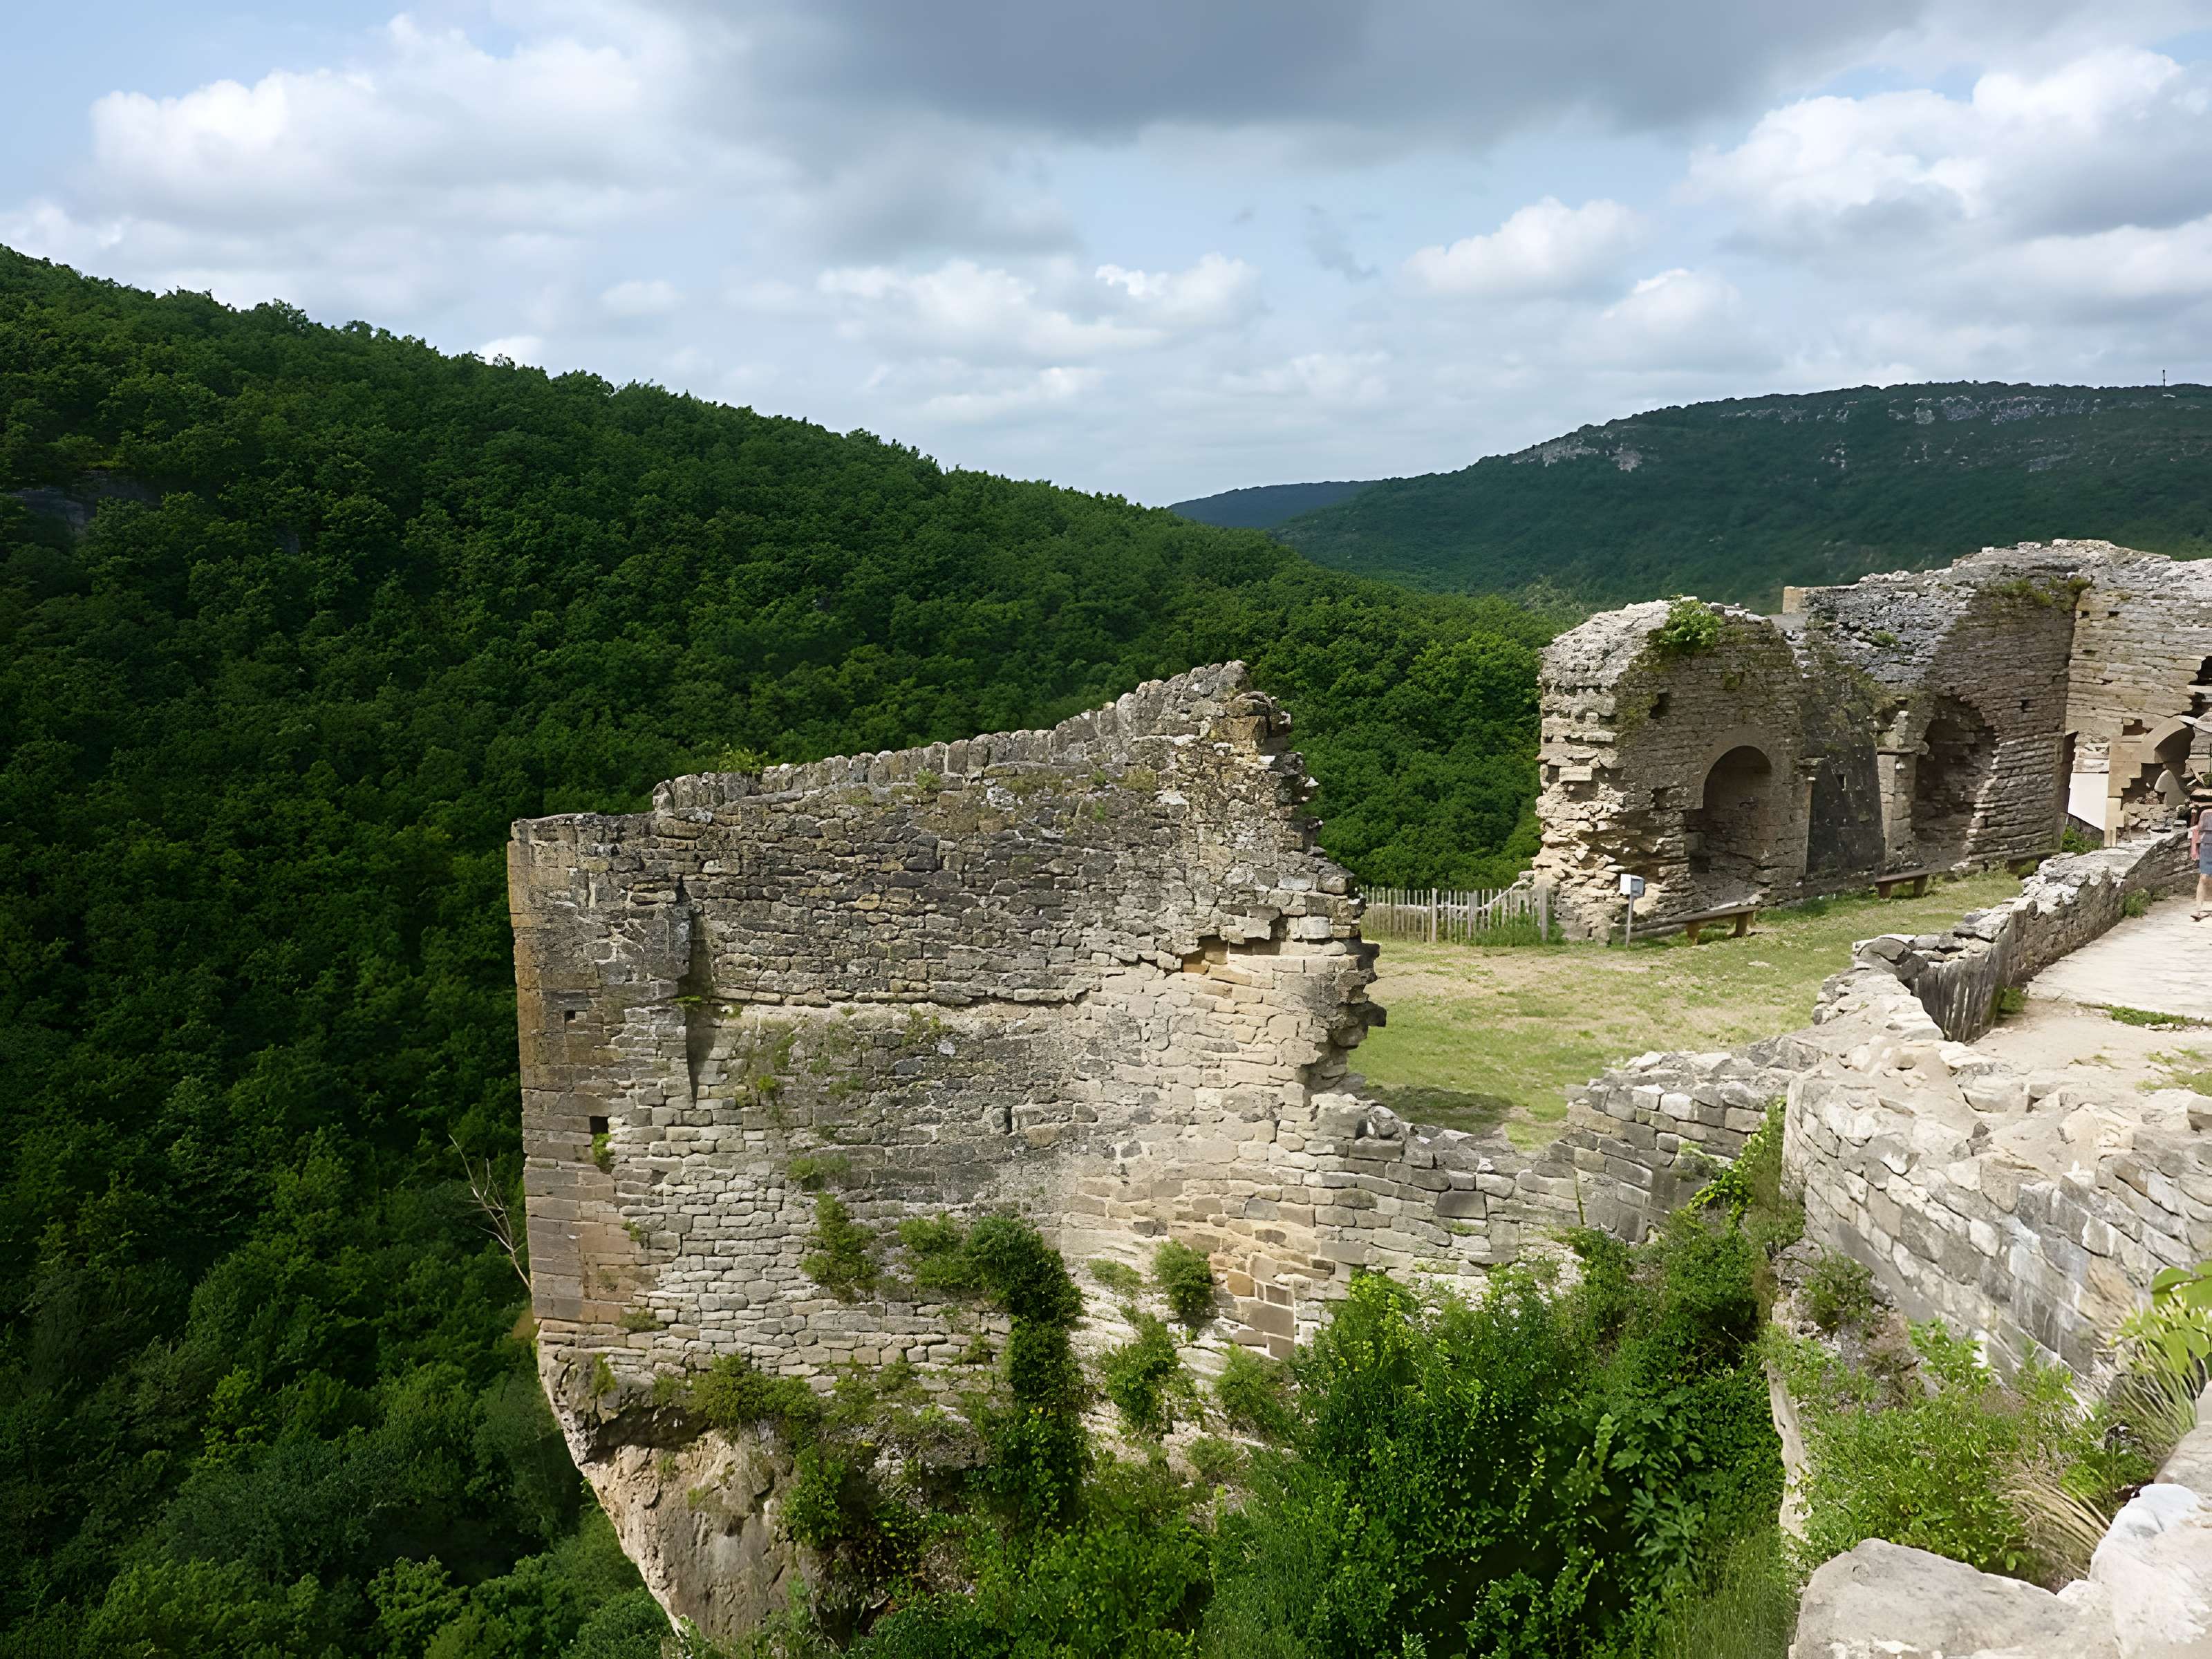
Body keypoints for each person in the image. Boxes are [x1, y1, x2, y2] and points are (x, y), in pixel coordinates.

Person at [2197, 800, 2212, 921]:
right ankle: (2199, 910)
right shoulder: (2205, 813)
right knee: (2204, 877)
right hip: (2206, 847)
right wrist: (2195, 850)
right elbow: (2198, 831)